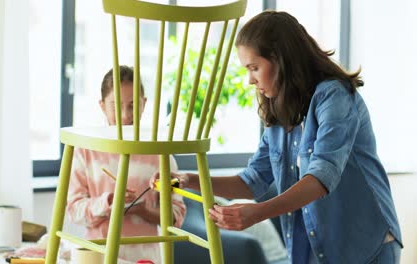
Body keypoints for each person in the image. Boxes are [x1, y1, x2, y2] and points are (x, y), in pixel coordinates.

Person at [151, 11, 402, 264]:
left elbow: (321, 177)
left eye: (254, 67)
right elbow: (253, 181)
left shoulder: (334, 97)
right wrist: (188, 179)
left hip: (365, 246)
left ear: (282, 59)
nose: (250, 79)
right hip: (318, 249)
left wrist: (257, 213)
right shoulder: (279, 112)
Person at [67, 65, 186, 264]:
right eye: (116, 105)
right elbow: (73, 211)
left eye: (133, 105)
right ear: (102, 105)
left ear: (144, 104)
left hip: (145, 258)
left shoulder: (161, 155)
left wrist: (141, 210)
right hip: (97, 256)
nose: (125, 115)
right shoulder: (85, 151)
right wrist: (109, 202)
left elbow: (177, 215)